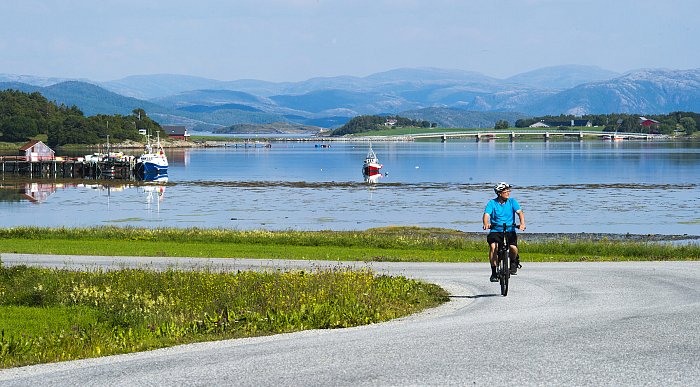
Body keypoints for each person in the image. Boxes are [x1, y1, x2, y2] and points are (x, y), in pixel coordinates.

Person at [482, 182, 526, 282]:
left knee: (513, 248)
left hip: (509, 229)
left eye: (508, 191)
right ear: (499, 193)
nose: (508, 193)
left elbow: (520, 213)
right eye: (505, 192)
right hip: (496, 230)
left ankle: (514, 262)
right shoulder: (492, 203)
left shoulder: (512, 201)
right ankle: (493, 272)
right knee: (494, 247)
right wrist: (486, 223)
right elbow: (486, 214)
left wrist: (522, 224)